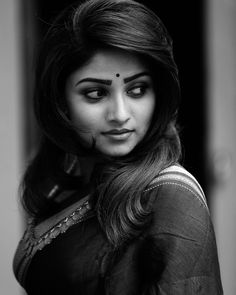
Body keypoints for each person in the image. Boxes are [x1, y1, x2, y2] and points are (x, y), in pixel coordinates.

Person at [13, 0, 223, 294]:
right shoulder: (68, 183)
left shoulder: (170, 195)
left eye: (137, 90)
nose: (121, 114)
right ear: (60, 102)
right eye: (96, 93)